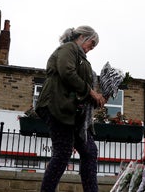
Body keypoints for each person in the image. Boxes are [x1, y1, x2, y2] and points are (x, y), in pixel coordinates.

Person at [35, 26, 107, 192]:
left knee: (89, 151)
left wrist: (99, 97)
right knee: (63, 152)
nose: (92, 47)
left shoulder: (82, 58)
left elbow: (83, 87)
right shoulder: (68, 48)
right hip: (57, 106)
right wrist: (91, 92)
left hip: (73, 113)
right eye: (92, 43)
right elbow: (67, 73)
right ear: (82, 36)